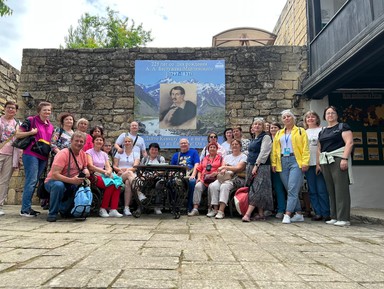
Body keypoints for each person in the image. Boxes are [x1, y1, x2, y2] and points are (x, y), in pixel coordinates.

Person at [16, 101, 54, 217]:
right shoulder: (31, 120)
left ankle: (27, 207)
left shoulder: (50, 125)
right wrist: (31, 132)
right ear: (39, 111)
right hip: (31, 153)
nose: (47, 112)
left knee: (35, 181)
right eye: (45, 110)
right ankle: (25, 209)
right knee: (31, 180)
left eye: (49, 110)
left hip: (43, 155)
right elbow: (18, 134)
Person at [271, 110, 310, 224]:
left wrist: (305, 162)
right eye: (284, 117)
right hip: (282, 161)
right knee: (290, 189)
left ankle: (287, 214)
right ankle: (298, 213)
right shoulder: (279, 133)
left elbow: (305, 148)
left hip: (295, 161)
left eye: (289, 116)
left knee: (292, 188)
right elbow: (274, 149)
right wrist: (274, 163)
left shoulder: (300, 131)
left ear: (293, 118)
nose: (286, 118)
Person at [318, 106, 354, 227]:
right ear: (324, 116)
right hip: (326, 160)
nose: (330, 115)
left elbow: (349, 142)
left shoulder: (342, 127)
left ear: (337, 115)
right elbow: (319, 147)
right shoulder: (322, 131)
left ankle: (344, 218)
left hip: (338, 158)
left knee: (341, 189)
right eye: (328, 113)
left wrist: (344, 158)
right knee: (331, 189)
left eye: (333, 113)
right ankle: (334, 216)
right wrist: (319, 163)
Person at [44, 131, 90, 222]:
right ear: (71, 141)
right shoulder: (63, 154)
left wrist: (86, 171)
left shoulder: (83, 154)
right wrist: (72, 181)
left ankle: (66, 209)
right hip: (53, 181)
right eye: (76, 141)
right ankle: (52, 213)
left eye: (81, 142)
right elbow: (54, 174)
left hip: (72, 182)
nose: (79, 143)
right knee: (58, 185)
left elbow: (84, 167)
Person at [242, 118, 273, 222]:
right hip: (250, 165)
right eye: (255, 124)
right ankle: (260, 214)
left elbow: (264, 152)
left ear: (263, 126)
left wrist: (256, 165)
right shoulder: (254, 139)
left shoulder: (266, 137)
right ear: (252, 127)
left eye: (260, 124)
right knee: (254, 189)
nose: (257, 126)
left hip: (261, 166)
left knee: (258, 189)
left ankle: (247, 214)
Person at [208, 139, 247, 219]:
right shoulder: (227, 157)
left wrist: (225, 167)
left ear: (240, 146)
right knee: (213, 185)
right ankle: (215, 209)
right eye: (233, 144)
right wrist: (223, 170)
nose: (234, 145)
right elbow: (222, 167)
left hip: (236, 178)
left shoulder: (243, 156)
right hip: (225, 177)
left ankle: (221, 211)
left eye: (236, 144)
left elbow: (238, 168)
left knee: (224, 186)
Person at [303, 110, 330, 221]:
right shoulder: (303, 132)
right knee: (312, 190)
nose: (310, 119)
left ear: (317, 118)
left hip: (320, 163)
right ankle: (317, 212)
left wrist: (319, 163)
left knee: (322, 189)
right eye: (308, 117)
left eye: (312, 117)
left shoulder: (323, 130)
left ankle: (326, 212)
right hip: (308, 164)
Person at [87, 136, 123, 218]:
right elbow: (90, 166)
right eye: (97, 140)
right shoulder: (89, 152)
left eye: (101, 140)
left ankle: (113, 209)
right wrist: (104, 172)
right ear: (93, 142)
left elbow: (108, 166)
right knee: (110, 184)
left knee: (118, 183)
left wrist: (109, 171)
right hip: (94, 175)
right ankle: (103, 208)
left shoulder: (104, 154)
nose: (99, 141)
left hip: (104, 174)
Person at [188, 142, 223, 216]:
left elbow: (222, 168)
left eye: (214, 147)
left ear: (217, 149)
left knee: (212, 186)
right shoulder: (204, 158)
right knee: (197, 186)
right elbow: (200, 169)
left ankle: (211, 208)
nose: (212, 149)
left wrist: (216, 173)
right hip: (204, 179)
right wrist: (199, 178)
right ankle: (195, 209)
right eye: (210, 147)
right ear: (208, 149)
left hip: (215, 179)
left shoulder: (220, 158)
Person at [0, 101, 22, 216]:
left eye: (13, 108)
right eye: (9, 108)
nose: (11, 110)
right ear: (4, 108)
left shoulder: (17, 123)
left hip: (10, 154)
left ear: (16, 111)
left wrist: (19, 156)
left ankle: (0, 205)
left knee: (4, 181)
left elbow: (19, 139)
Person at [170, 138, 200, 213]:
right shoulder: (176, 155)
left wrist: (193, 175)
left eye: (185, 143)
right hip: (178, 176)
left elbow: (197, 164)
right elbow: (172, 167)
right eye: (182, 143)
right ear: (179, 145)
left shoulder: (194, 152)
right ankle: (174, 206)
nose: (183, 144)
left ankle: (189, 207)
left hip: (189, 174)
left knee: (192, 182)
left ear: (188, 145)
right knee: (170, 183)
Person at [113, 136, 141, 216]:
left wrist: (128, 170)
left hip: (131, 175)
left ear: (132, 143)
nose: (127, 143)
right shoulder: (119, 153)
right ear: (123, 143)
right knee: (129, 174)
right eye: (126, 141)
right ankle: (139, 193)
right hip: (121, 175)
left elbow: (135, 166)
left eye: (129, 141)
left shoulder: (136, 154)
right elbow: (114, 166)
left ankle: (126, 208)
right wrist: (120, 170)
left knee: (128, 182)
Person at [140, 142, 166, 215]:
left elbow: (163, 170)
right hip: (146, 178)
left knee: (160, 184)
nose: (154, 151)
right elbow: (141, 170)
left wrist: (156, 174)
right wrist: (143, 176)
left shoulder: (160, 159)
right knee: (138, 183)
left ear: (158, 151)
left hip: (157, 178)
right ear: (149, 150)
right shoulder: (144, 159)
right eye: (152, 149)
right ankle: (142, 206)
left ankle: (157, 206)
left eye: (155, 150)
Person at [269, 122, 286, 219]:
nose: (273, 129)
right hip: (268, 167)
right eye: (271, 127)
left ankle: (281, 209)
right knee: (270, 189)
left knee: (279, 188)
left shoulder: (283, 138)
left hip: (280, 166)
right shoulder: (267, 139)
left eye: (275, 127)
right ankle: (270, 209)